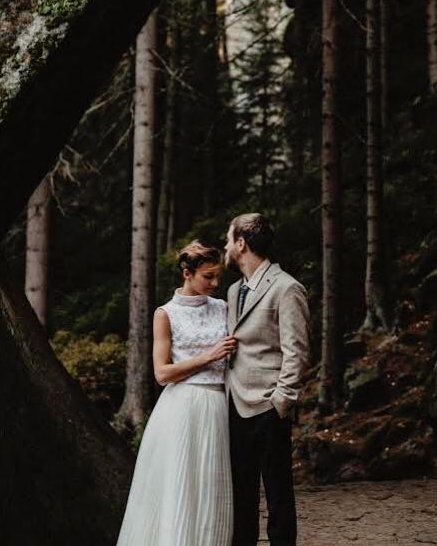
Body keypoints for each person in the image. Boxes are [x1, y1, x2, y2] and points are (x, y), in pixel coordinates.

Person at [116, 241, 237, 546]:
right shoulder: (165, 313)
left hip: (217, 404)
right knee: (180, 483)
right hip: (181, 407)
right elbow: (162, 373)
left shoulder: (222, 307)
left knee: (211, 485)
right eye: (207, 276)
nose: (214, 283)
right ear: (187, 273)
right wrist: (208, 356)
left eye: (216, 276)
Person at [224, 213, 310, 546]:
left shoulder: (287, 288)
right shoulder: (233, 291)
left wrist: (282, 401)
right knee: (240, 494)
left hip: (269, 407)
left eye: (229, 240)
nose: (226, 246)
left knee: (277, 495)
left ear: (242, 244)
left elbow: (297, 351)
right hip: (234, 403)